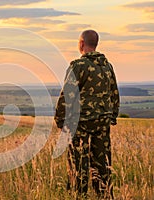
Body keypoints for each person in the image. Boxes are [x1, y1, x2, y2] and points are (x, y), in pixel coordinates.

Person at [54, 30, 120, 199]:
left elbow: (67, 96)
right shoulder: (107, 65)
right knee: (102, 164)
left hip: (80, 122)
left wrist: (60, 120)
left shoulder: (78, 66)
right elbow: (114, 93)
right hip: (102, 121)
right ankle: (104, 195)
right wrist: (112, 116)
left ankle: (80, 195)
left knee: (78, 163)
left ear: (81, 44)